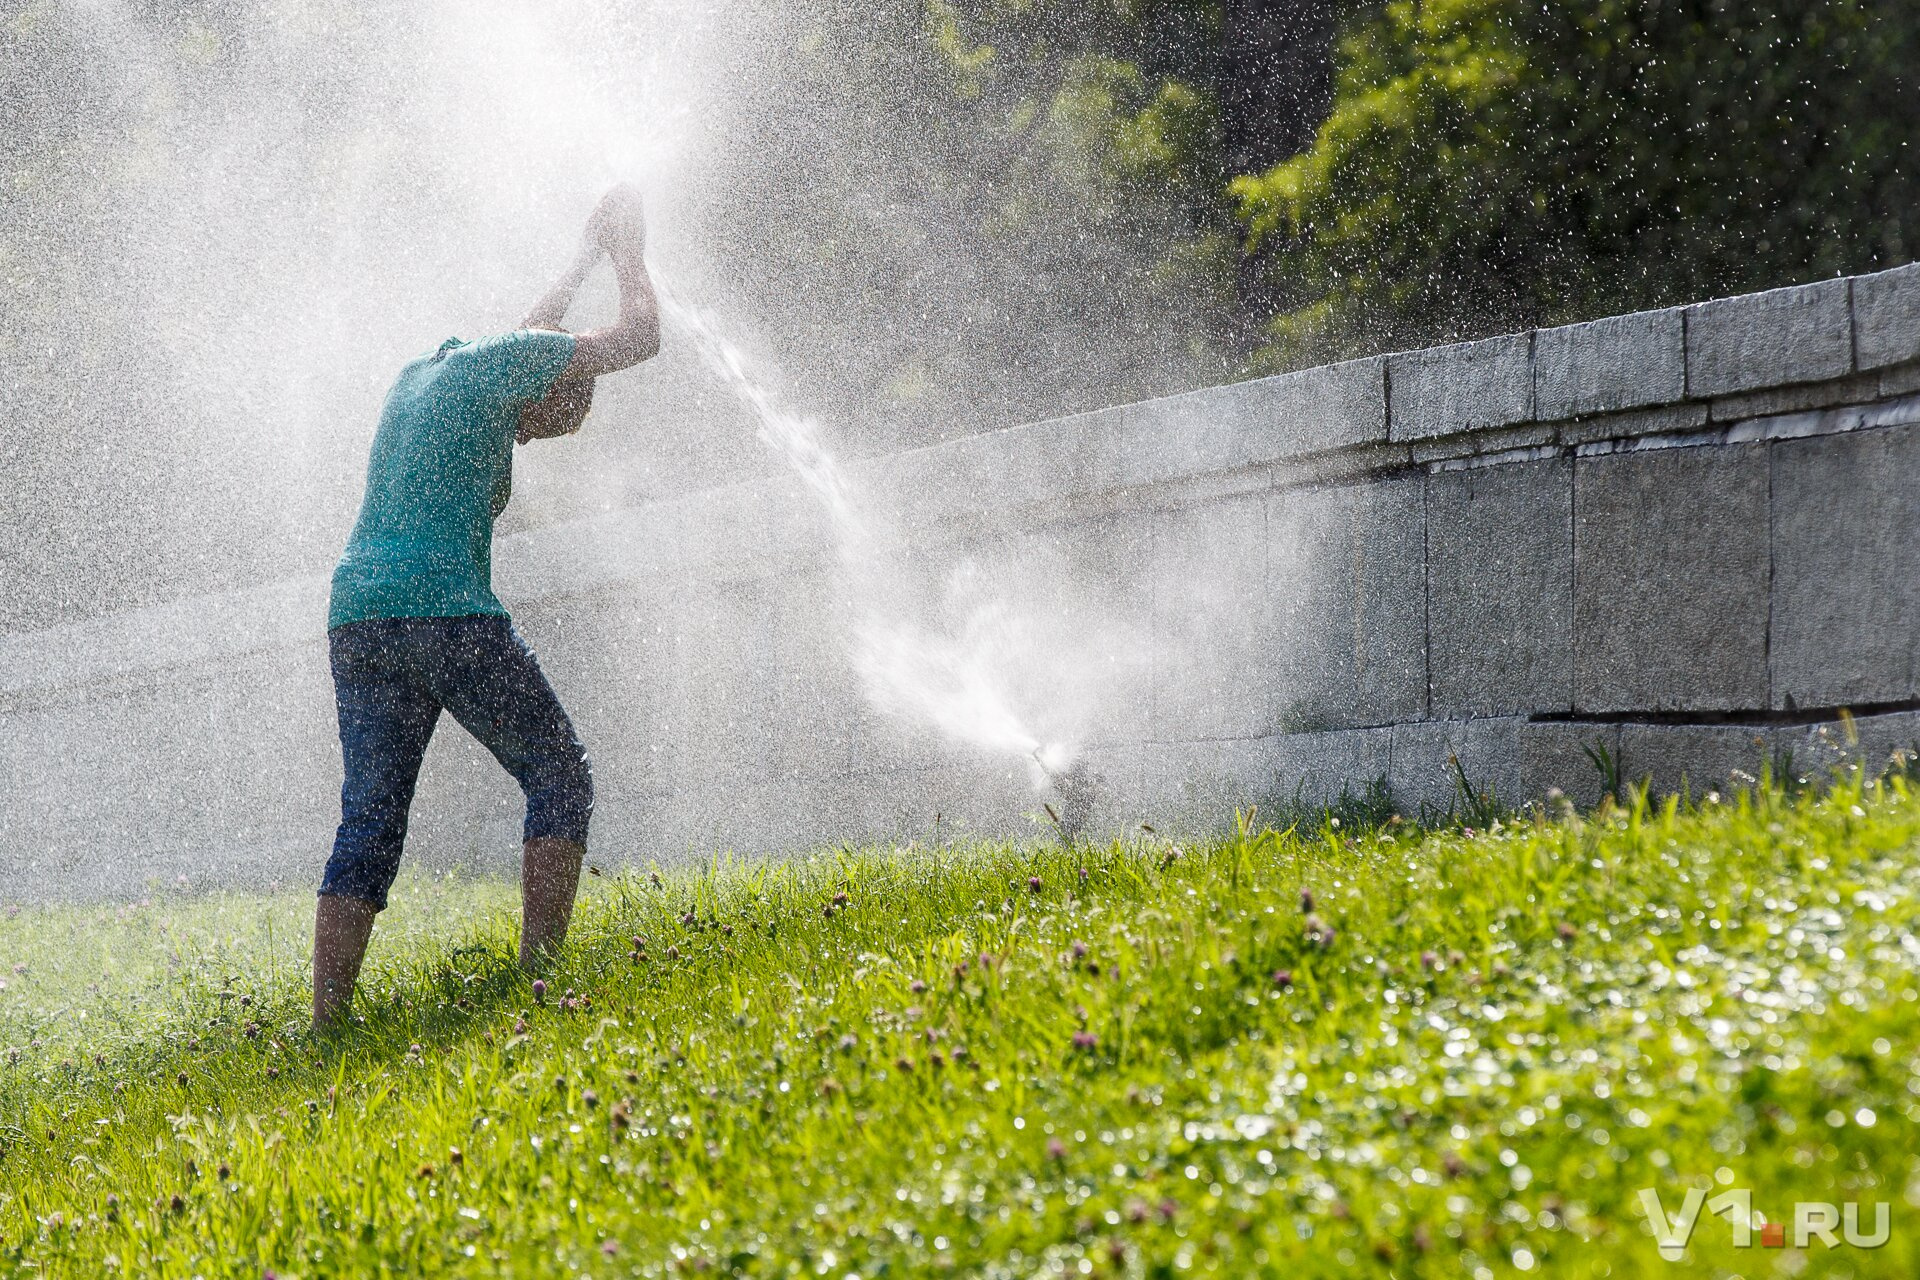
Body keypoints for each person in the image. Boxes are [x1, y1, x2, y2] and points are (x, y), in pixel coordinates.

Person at [312, 185, 660, 1032]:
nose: (535, 437)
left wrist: (578, 257)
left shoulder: (433, 370)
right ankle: (538, 978)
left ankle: (327, 1025)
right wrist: (627, 254)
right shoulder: (511, 374)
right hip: (443, 610)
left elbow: (533, 332)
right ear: (543, 387)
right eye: (549, 424)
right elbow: (642, 337)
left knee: (369, 816)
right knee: (559, 775)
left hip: (357, 615)